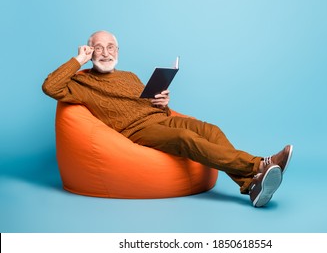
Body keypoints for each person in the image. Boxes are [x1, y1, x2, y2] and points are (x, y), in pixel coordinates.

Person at [42, 30, 293, 207]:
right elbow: (50, 87)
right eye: (98, 48)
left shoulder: (129, 76)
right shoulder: (81, 81)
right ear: (90, 51)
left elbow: (145, 105)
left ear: (118, 50)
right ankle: (260, 164)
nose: (105, 53)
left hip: (161, 118)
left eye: (110, 47)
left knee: (210, 130)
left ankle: (251, 186)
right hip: (137, 131)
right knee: (185, 138)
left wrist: (162, 103)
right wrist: (78, 60)